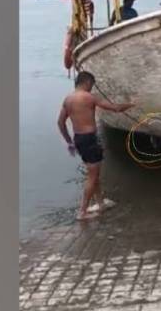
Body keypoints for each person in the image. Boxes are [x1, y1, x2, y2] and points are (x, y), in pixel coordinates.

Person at [57, 71, 135, 220]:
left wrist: (69, 142)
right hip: (89, 140)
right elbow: (115, 108)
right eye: (92, 84)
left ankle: (100, 203)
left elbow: (60, 123)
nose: (92, 87)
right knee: (92, 176)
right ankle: (82, 211)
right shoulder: (89, 97)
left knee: (94, 172)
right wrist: (132, 103)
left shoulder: (68, 100)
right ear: (86, 82)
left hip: (79, 139)